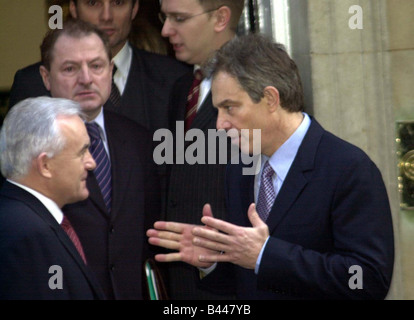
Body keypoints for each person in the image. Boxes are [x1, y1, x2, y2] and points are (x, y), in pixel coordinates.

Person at [147, 34, 395, 300]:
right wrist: (214, 261)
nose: (220, 124)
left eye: (230, 108)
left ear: (270, 99)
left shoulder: (348, 168)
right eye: (218, 110)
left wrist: (266, 255)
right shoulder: (239, 169)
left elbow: (367, 279)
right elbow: (246, 280)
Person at [38, 19, 161, 300]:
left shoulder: (140, 139)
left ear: (110, 71)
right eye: (70, 68)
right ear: (46, 77)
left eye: (96, 66)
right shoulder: (30, 149)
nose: (86, 78)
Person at [157, 0, 245, 299]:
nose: (166, 30)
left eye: (179, 18)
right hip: (182, 283)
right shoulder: (182, 86)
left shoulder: (259, 86)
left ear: (221, 18)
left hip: (235, 285)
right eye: (164, 17)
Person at [9, 0, 190, 133]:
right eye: (93, 3)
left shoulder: (175, 79)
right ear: (74, 8)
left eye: (118, 3)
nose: (106, 16)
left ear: (134, 8)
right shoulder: (31, 83)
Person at [0, 96, 105, 300]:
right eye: (82, 152)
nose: (92, 163)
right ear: (45, 165)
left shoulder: (25, 219)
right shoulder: (26, 235)